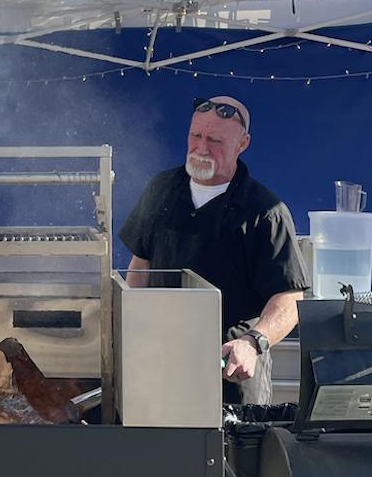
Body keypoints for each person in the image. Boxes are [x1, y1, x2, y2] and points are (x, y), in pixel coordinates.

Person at [119, 94, 308, 405]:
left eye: (215, 140)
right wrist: (134, 328)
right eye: (196, 136)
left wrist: (253, 342)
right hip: (163, 364)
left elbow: (290, 297)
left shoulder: (264, 210)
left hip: (230, 370)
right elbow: (141, 264)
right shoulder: (161, 188)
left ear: (242, 143)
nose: (202, 148)